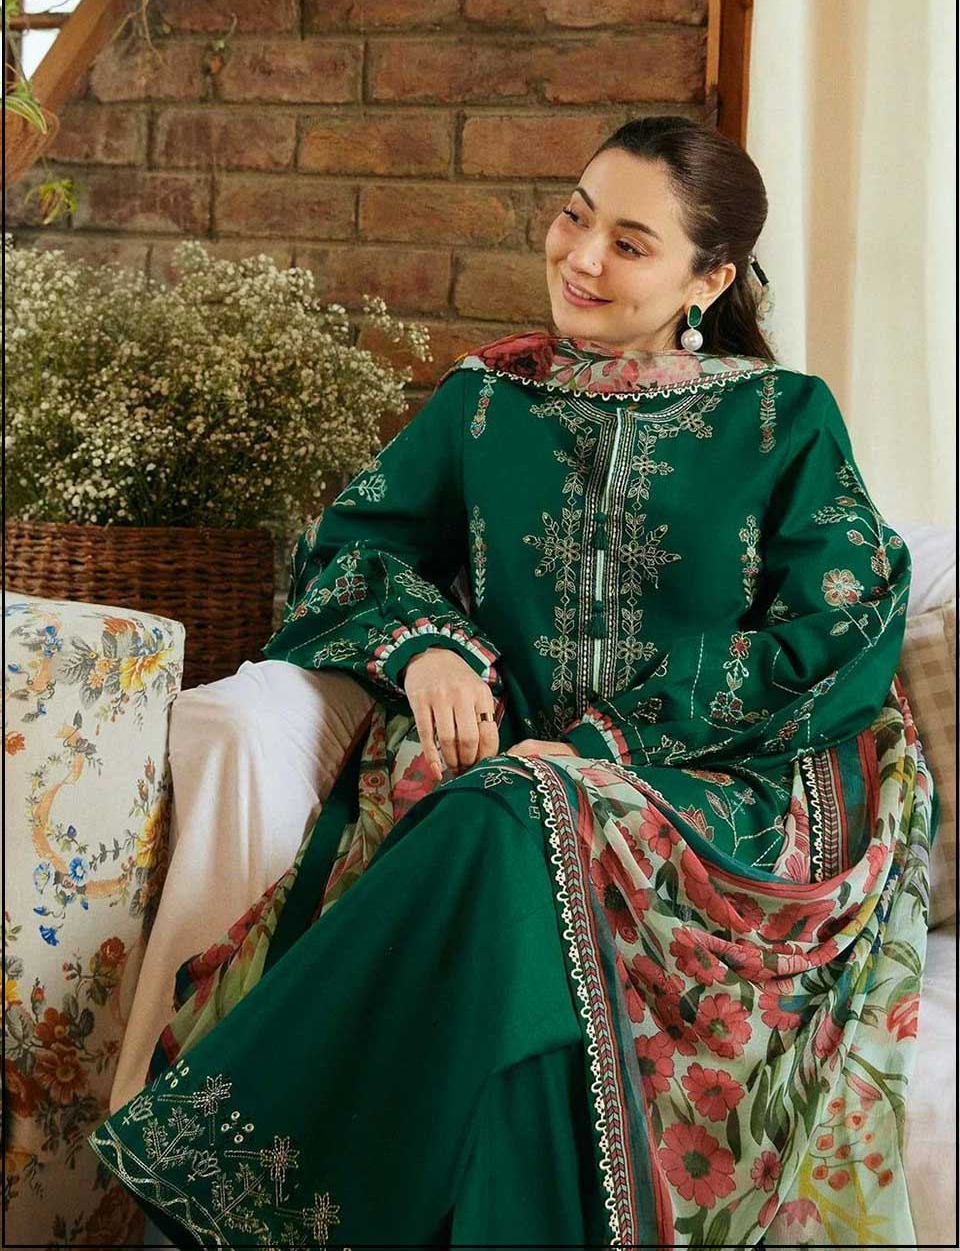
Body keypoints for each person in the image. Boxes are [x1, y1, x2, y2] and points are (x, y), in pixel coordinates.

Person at [86, 116, 938, 1248]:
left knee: (497, 814)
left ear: (710, 279)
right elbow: (349, 550)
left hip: (716, 786)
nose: (580, 257)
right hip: (510, 769)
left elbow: (839, 629)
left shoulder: (783, 421)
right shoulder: (486, 403)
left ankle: (201, 1180)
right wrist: (427, 646)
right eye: (575, 216)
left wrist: (607, 743)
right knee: (502, 842)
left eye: (629, 242)